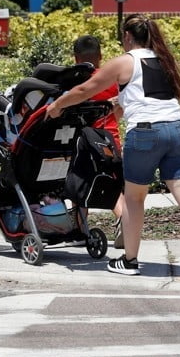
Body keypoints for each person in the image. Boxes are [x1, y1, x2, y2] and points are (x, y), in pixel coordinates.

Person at [47, 14, 180, 280]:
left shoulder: (125, 61)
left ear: (128, 37)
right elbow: (142, 99)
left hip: (145, 133)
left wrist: (57, 105)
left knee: (134, 198)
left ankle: (130, 260)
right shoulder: (163, 61)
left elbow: (86, 88)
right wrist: (117, 105)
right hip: (178, 128)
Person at [72, 34, 125, 247]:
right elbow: (119, 112)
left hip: (85, 142)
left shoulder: (77, 80)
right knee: (112, 186)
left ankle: (80, 229)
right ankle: (123, 219)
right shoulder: (110, 79)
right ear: (101, 56)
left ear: (76, 58)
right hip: (111, 140)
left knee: (78, 185)